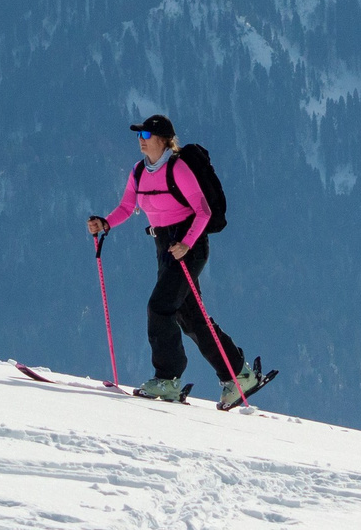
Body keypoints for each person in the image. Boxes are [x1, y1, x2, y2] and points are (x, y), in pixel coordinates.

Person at [88, 114, 269, 408]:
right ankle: (238, 374)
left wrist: (187, 244)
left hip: (189, 246)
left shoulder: (179, 168)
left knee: (160, 306)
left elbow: (203, 211)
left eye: (146, 137)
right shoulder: (138, 172)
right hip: (165, 245)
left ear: (163, 141)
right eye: (139, 136)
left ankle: (167, 379)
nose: (141, 142)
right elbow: (126, 206)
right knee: (190, 317)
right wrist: (105, 223)